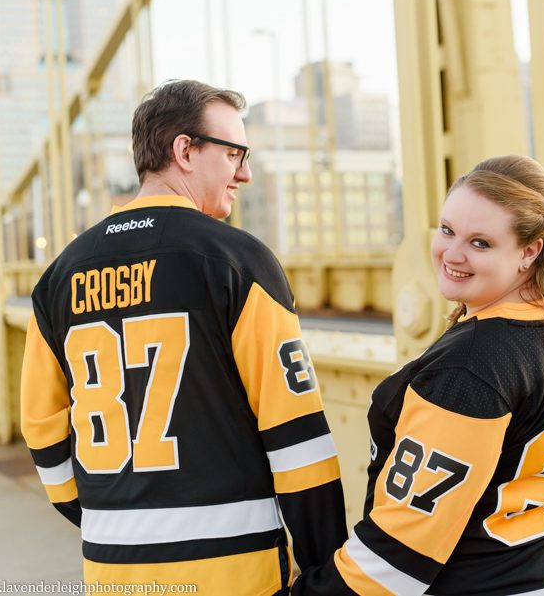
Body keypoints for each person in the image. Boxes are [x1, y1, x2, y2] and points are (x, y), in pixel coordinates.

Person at [20, 79, 347, 595]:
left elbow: (42, 430)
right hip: (234, 569)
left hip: (112, 571)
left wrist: (100, 519)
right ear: (184, 151)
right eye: (235, 152)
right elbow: (297, 436)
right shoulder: (239, 262)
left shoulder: (58, 279)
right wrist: (325, 572)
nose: (246, 172)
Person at [292, 155, 544, 596]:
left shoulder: (471, 365)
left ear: (530, 250)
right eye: (447, 230)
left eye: (480, 243)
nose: (452, 254)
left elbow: (404, 545)